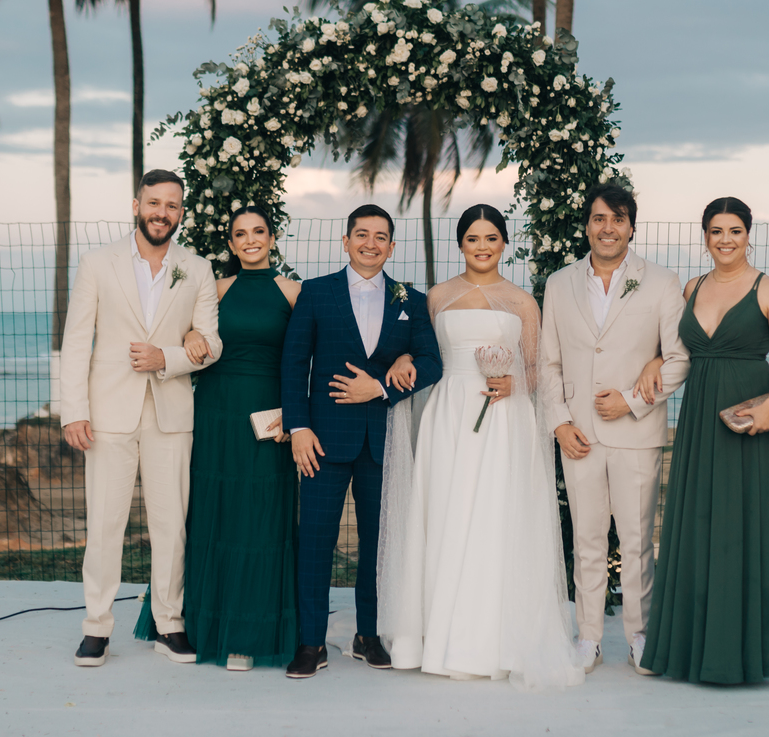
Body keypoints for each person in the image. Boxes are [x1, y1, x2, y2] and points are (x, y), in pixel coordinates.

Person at [640, 197, 769, 683]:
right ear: (705, 236)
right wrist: (653, 360)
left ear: (748, 234)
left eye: (734, 230)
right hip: (697, 425)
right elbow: (674, 347)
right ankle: (696, 649)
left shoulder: (768, 289)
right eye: (716, 231)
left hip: (751, 422)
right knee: (701, 525)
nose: (725, 240)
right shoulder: (691, 288)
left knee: (748, 530)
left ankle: (749, 650)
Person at [378, 205, 584, 691]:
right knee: (446, 514)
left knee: (497, 515)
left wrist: (515, 383)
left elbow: (535, 372)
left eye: (492, 238)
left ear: (504, 244)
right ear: (461, 244)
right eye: (473, 238)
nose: (483, 246)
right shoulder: (437, 297)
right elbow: (424, 353)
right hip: (449, 413)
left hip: (503, 420)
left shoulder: (521, 303)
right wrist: (406, 353)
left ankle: (496, 639)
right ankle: (436, 635)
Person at [61, 169, 222, 668]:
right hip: (108, 413)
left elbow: (211, 343)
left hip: (171, 413)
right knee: (105, 523)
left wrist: (168, 358)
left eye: (172, 206)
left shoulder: (196, 268)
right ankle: (97, 627)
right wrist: (74, 411)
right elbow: (75, 341)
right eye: (154, 203)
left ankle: (169, 624)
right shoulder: (97, 262)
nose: (162, 213)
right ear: (137, 205)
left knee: (171, 525)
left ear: (181, 212)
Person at [132, 206, 302, 671]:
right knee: (208, 514)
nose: (250, 240)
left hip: (270, 420)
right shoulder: (214, 286)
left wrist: (297, 415)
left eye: (258, 232)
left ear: (273, 237)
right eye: (240, 234)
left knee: (259, 520)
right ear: (230, 243)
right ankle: (197, 625)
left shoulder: (292, 292)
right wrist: (188, 333)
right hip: (214, 413)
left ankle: (246, 634)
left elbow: (304, 358)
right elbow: (185, 329)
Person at [280, 204, 443, 679]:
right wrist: (299, 427)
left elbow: (432, 362)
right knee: (314, 542)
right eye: (362, 234)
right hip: (321, 441)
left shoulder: (410, 300)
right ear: (346, 241)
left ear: (392, 247)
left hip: (381, 441)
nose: (371, 243)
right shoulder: (316, 293)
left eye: (381, 236)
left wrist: (386, 386)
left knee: (377, 543)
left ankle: (368, 635)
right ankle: (311, 642)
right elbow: (294, 365)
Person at [540, 183, 690, 674]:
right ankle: (588, 638)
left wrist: (629, 401)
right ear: (587, 224)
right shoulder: (559, 284)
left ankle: (640, 635)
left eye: (618, 219)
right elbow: (549, 365)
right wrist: (560, 422)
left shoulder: (663, 284)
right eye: (599, 218)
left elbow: (679, 359)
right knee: (585, 539)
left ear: (631, 226)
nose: (608, 228)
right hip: (578, 436)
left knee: (636, 540)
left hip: (637, 434)